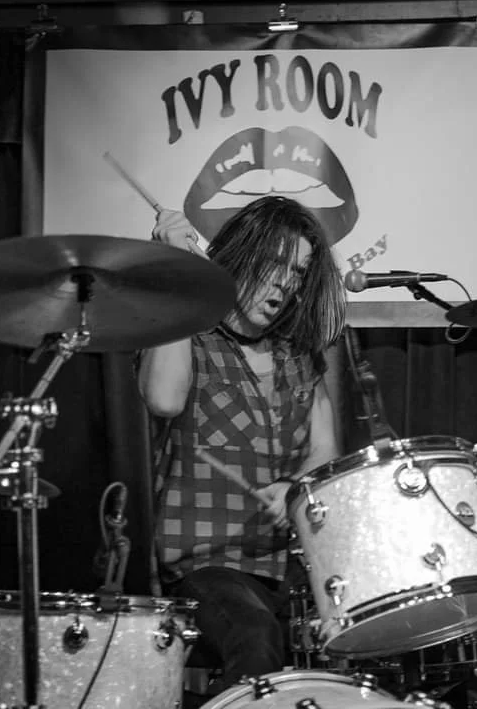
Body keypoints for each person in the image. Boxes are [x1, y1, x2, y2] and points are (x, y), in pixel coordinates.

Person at [137, 195, 346, 704]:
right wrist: (180, 273)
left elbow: (324, 450)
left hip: (292, 566)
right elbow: (164, 399)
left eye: (298, 273)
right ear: (239, 255)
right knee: (255, 639)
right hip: (206, 565)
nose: (285, 284)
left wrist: (294, 487)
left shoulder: (298, 354)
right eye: (275, 264)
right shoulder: (188, 334)